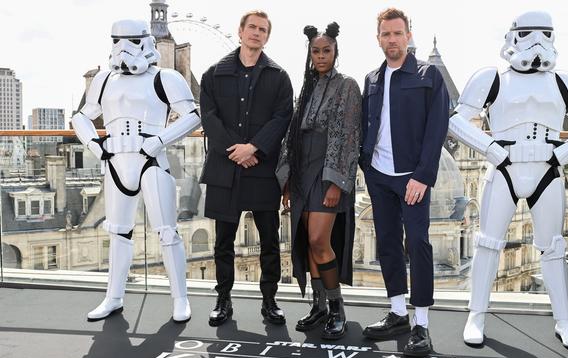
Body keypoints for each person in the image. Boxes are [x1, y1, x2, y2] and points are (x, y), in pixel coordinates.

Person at [449, 11, 568, 349]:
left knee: (553, 248)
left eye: (545, 33)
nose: (538, 41)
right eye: (530, 33)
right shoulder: (490, 78)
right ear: (513, 36)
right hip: (504, 169)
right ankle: (476, 314)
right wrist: (491, 148)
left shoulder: (564, 81)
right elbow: (456, 120)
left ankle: (564, 320)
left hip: (546, 170)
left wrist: (566, 151)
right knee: (488, 244)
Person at [72, 19, 200, 323]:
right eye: (118, 41)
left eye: (129, 41)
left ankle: (180, 299)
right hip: (115, 161)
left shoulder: (166, 78)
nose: (123, 48)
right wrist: (96, 146)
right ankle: (113, 297)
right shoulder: (104, 81)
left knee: (167, 232)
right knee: (118, 233)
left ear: (145, 42)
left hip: (151, 160)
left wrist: (158, 141)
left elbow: (193, 116)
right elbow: (81, 117)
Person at [359, 8, 450, 357]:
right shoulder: (371, 79)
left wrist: (422, 176)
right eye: (386, 34)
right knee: (387, 245)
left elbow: (436, 127)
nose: (392, 39)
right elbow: (368, 126)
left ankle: (421, 323)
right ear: (379, 38)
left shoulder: (429, 76)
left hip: (412, 179)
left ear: (408, 36)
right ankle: (398, 313)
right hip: (379, 176)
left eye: (398, 33)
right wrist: (366, 167)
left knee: (418, 244)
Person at [199, 10, 293, 327]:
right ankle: (223, 301)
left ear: (267, 36)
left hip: (262, 170)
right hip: (225, 170)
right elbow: (209, 118)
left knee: (270, 242)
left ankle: (270, 302)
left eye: (262, 29)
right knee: (223, 242)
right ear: (240, 32)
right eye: (251, 27)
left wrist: (252, 148)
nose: (256, 33)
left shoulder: (279, 77)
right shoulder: (213, 74)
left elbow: (283, 118)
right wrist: (237, 150)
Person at [276, 22, 361, 339]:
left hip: (328, 172)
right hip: (302, 172)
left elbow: (349, 136)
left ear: (335, 52)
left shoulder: (348, 86)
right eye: (316, 51)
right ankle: (319, 306)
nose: (321, 55)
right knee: (305, 240)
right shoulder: (306, 88)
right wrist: (287, 178)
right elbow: (292, 134)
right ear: (309, 54)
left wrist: (336, 182)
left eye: (326, 50)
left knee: (318, 240)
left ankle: (337, 308)